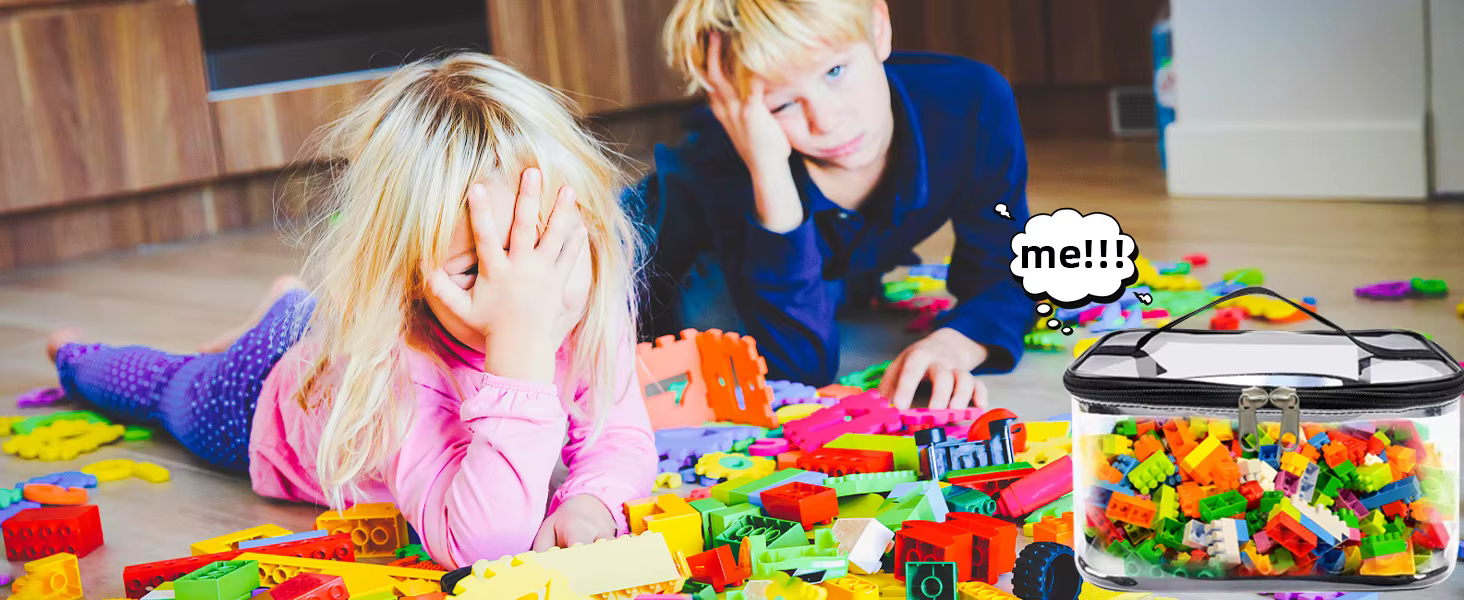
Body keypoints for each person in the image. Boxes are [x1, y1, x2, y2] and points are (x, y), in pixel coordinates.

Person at [45, 53, 656, 568]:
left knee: (301, 319)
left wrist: (591, 501)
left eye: (548, 243)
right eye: (474, 271)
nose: (529, 290)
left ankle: (289, 305)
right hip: (256, 397)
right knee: (165, 388)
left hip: (323, 346)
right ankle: (76, 356)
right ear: (405, 284)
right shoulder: (399, 369)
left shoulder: (585, 298)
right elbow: (482, 545)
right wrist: (519, 355)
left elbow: (620, 436)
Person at [627, 0, 1033, 410]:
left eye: (835, 72)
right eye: (782, 104)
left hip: (840, 265)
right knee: (713, 320)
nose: (826, 120)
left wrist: (954, 345)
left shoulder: (971, 102)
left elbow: (1009, 270)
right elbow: (798, 366)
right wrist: (768, 170)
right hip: (653, 256)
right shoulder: (731, 161)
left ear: (878, 27)